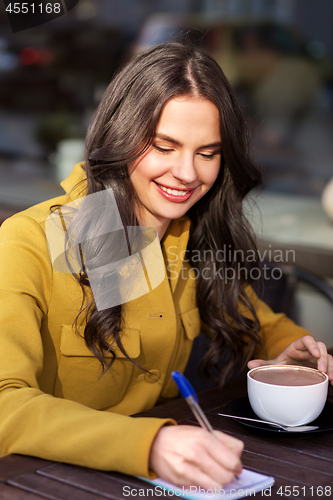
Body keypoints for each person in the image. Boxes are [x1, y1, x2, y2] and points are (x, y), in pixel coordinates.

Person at [0, 41, 332, 491]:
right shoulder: (29, 241)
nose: (187, 173)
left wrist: (294, 350)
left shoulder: (188, 236)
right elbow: (5, 406)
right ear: (119, 135)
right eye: (163, 145)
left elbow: (259, 320)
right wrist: (151, 445)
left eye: (208, 153)